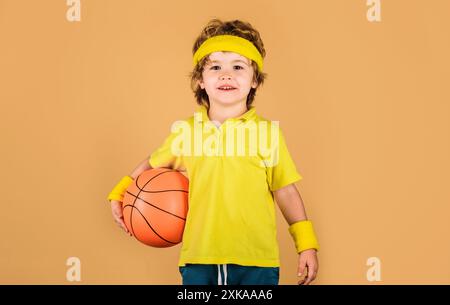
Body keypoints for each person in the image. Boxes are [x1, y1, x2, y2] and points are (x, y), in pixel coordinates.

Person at [107, 19, 319, 285]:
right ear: (200, 81)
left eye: (238, 67)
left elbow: (285, 190)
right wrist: (120, 192)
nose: (226, 75)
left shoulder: (268, 133)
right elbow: (150, 165)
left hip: (257, 260)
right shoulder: (186, 132)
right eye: (215, 67)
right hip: (199, 257)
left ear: (255, 80)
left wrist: (306, 243)